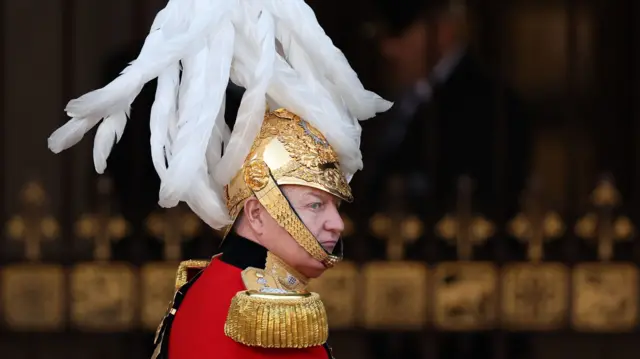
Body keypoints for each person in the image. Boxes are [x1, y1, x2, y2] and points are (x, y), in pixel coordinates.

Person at [47, 1, 391, 358]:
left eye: (334, 206)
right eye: (315, 205)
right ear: (256, 214)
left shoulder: (225, 284)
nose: (336, 224)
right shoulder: (248, 307)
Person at [358, 0, 531, 220]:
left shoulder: (490, 106)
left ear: (442, 29)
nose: (387, 49)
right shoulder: (394, 93)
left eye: (399, 33)